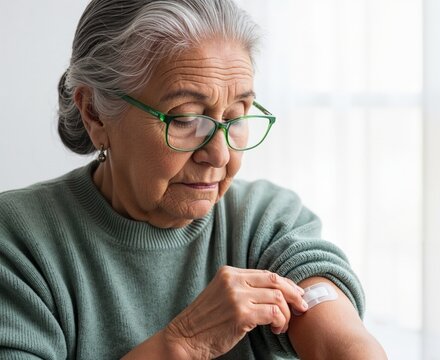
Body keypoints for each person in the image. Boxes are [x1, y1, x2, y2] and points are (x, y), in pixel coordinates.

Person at [0, 0, 387, 359]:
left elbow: (342, 340)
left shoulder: (264, 220)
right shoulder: (18, 240)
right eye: (184, 118)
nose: (219, 154)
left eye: (236, 116)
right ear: (95, 114)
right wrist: (184, 342)